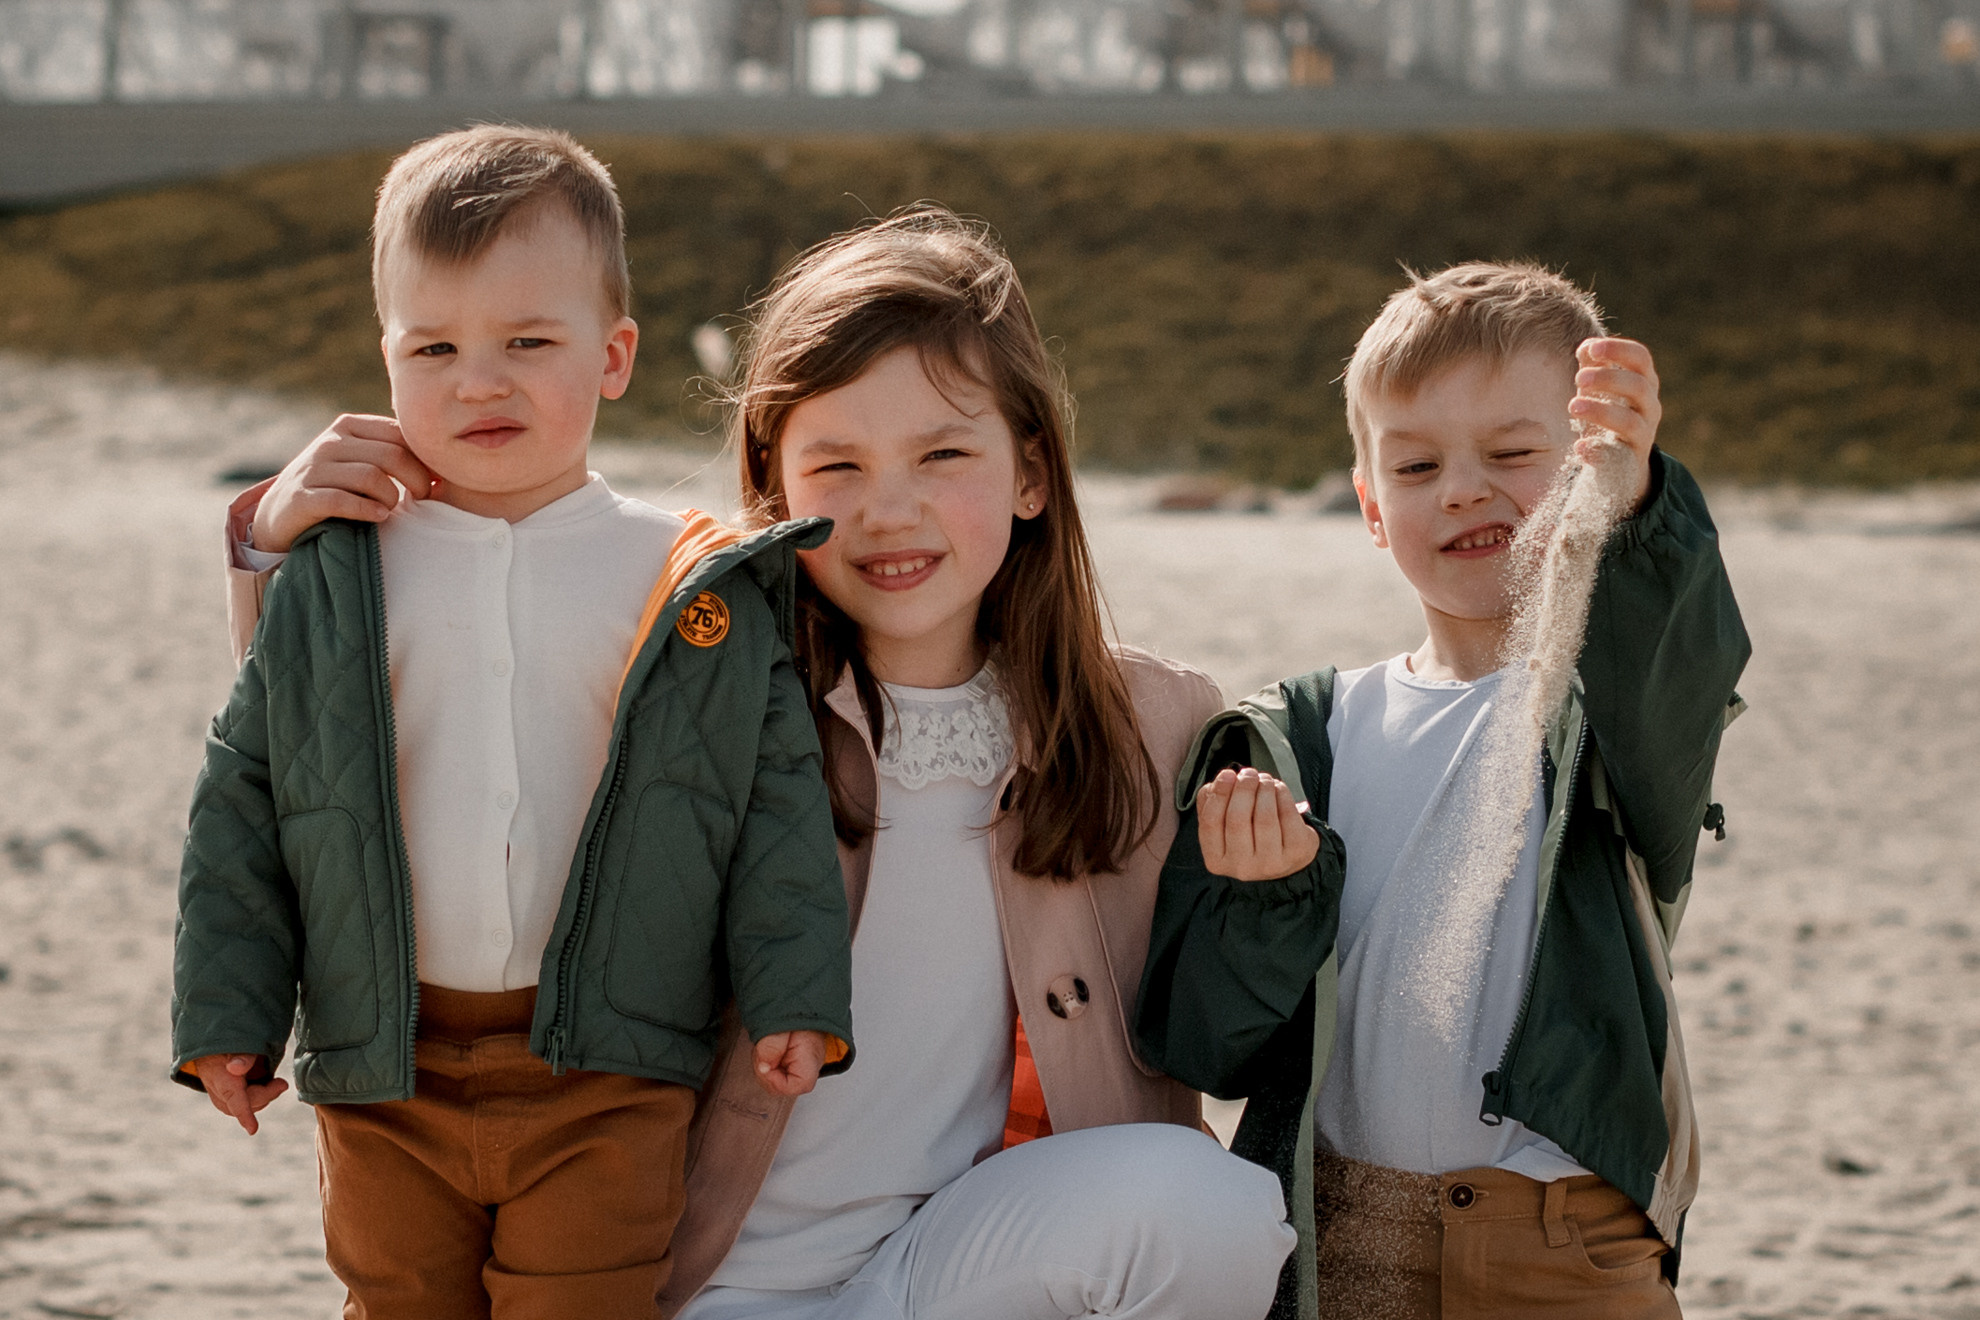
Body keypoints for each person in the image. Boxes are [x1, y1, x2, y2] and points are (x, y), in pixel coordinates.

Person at [227, 204, 1297, 1320]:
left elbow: (1213, 1021)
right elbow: (356, 742)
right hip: (716, 1277)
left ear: (1030, 473)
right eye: (837, 462)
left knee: (1210, 1208)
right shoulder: (696, 683)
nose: (891, 509)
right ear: (774, 486)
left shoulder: (1145, 719)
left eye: (943, 454)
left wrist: (1275, 899)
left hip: (953, 1263)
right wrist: (271, 549)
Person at [171, 125, 855, 1320]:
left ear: (614, 355)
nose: (478, 380)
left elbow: (774, 794)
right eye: (433, 345)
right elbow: (249, 791)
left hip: (610, 1060)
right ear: (384, 363)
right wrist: (229, 1019)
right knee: (396, 1301)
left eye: (527, 342)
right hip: (385, 1058)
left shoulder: (684, 575)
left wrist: (797, 993)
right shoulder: (341, 573)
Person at [1136, 263, 1751, 1319]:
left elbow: (1674, 651)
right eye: (1417, 466)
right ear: (1372, 509)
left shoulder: (1614, 721)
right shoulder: (1307, 736)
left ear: (1587, 473)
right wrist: (1265, 905)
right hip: (1340, 1238)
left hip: (1567, 1251)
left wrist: (1640, 507)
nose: (1462, 488)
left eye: (1513, 454)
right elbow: (1204, 1050)